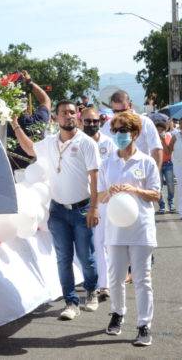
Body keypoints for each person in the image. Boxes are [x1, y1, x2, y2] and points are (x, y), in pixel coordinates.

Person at [13, 101, 100, 320]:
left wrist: (94, 208)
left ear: (77, 116)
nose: (69, 116)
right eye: (64, 113)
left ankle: (91, 290)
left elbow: (94, 177)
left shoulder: (87, 143)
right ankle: (71, 302)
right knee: (63, 258)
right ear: (56, 117)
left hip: (82, 210)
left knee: (86, 257)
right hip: (58, 211)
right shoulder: (49, 143)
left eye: (72, 112)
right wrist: (15, 125)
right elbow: (29, 148)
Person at [98, 111, 160, 346]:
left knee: (143, 279)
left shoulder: (147, 162)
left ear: (135, 133)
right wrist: (110, 192)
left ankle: (144, 325)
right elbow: (100, 196)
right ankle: (117, 313)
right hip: (114, 229)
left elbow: (156, 194)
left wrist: (135, 190)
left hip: (141, 229)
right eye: (115, 131)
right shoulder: (107, 162)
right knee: (115, 277)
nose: (119, 135)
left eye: (123, 131)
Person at [80, 107, 115, 301]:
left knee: (101, 242)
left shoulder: (109, 143)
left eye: (95, 121)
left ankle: (104, 285)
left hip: (102, 201)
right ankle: (89, 281)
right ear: (80, 121)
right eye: (87, 121)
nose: (92, 124)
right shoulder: (75, 143)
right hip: (80, 200)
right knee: (86, 244)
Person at [101, 90, 163, 169]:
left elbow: (156, 149)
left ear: (130, 105)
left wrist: (155, 175)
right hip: (116, 174)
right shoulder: (107, 125)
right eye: (116, 111)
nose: (120, 114)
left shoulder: (144, 122)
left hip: (141, 171)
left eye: (123, 110)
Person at [7, 71, 51, 169]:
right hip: (35, 173)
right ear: (27, 106)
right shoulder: (38, 120)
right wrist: (29, 82)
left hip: (7, 175)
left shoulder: (1, 122)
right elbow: (46, 100)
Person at [156, 121, 175, 214]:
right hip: (156, 165)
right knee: (158, 186)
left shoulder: (168, 137)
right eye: (158, 129)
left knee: (170, 185)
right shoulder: (153, 138)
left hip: (168, 163)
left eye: (161, 129)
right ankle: (162, 205)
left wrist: (163, 140)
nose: (159, 131)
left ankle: (171, 203)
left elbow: (168, 152)